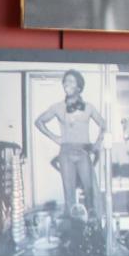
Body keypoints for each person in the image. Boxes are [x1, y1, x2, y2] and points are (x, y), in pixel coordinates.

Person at [34, 68, 106, 220]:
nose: (67, 83)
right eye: (65, 81)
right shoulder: (57, 107)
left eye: (71, 81)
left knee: (90, 192)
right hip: (66, 153)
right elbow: (38, 122)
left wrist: (98, 144)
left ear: (79, 86)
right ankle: (74, 232)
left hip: (84, 152)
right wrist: (54, 137)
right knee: (69, 195)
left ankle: (94, 228)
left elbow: (103, 124)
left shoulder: (89, 107)